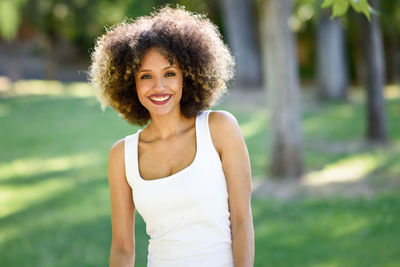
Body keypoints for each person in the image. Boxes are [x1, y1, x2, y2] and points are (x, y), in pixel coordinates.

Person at [89, 6, 254, 267]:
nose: (159, 87)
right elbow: (122, 248)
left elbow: (242, 219)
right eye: (146, 76)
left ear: (186, 76)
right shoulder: (122, 156)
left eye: (169, 73)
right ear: (130, 84)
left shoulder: (220, 129)